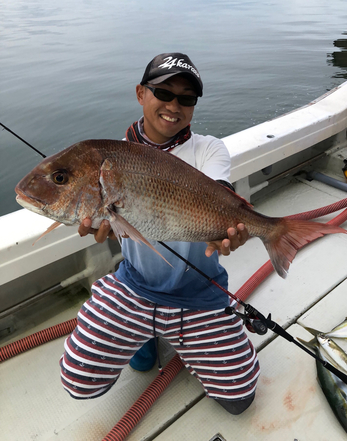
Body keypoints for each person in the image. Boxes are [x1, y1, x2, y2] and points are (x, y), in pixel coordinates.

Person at [60, 52, 260, 415]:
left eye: (186, 98)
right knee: (78, 378)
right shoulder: (116, 156)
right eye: (163, 93)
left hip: (201, 293)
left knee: (240, 398)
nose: (174, 105)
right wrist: (98, 218)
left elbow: (218, 193)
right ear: (140, 93)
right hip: (134, 287)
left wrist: (228, 230)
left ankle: (167, 336)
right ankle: (144, 331)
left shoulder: (209, 148)